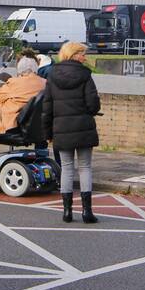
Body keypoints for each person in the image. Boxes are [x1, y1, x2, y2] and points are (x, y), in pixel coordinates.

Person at [42, 42, 100, 224]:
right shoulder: (85, 75)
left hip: (61, 128)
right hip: (83, 127)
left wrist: (47, 133)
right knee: (84, 167)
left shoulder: (52, 76)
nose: (85, 57)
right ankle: (86, 212)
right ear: (74, 55)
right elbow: (93, 105)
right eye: (83, 54)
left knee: (66, 168)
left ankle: (67, 211)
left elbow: (47, 108)